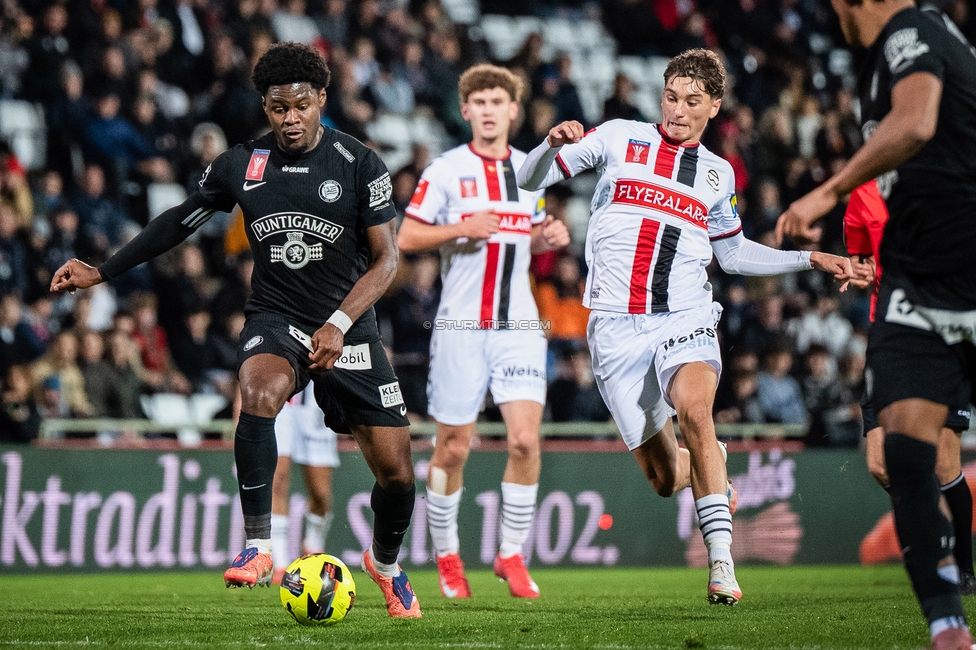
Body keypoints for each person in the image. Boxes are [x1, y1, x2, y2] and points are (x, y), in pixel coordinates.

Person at [49, 42, 421, 619]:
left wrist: (340, 324)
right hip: (276, 319)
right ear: (265, 108)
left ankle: (386, 565)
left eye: (300, 105)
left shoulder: (359, 163)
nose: (290, 118)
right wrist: (103, 270)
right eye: (277, 108)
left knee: (398, 481)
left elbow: (388, 262)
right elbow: (179, 221)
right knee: (258, 391)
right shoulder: (241, 165)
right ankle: (258, 546)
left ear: (322, 99)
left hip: (349, 328)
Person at [517, 48, 851, 606]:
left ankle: (722, 567)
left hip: (685, 315)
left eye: (692, 101)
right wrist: (549, 146)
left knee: (696, 410)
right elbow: (528, 180)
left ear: (713, 107)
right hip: (614, 329)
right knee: (666, 477)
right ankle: (708, 464)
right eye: (671, 97)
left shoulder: (718, 174)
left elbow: (734, 254)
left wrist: (808, 261)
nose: (678, 110)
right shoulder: (619, 137)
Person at [776, 0, 976, 645]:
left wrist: (826, 191)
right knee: (903, 452)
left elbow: (916, 124)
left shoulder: (913, 33)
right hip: (914, 285)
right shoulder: (875, 61)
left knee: (917, 455)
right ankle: (948, 624)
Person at [398, 63, 570, 599]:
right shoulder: (447, 170)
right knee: (451, 449)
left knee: (524, 439)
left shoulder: (529, 169)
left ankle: (511, 555)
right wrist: (461, 228)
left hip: (517, 321)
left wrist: (547, 237)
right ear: (467, 109)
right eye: (481, 101)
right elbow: (405, 237)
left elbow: (528, 237)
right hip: (459, 323)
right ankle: (447, 556)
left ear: (514, 110)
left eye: (500, 101)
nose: (491, 109)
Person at [844, 178, 976, 593]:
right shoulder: (863, 192)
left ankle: (962, 567)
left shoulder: (945, 177)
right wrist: (860, 270)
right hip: (890, 337)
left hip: (943, 330)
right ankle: (937, 536)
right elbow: (859, 255)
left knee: (944, 464)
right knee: (882, 464)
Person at [270, 382, 339, 585]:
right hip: (281, 397)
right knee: (277, 480)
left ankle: (313, 543)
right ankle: (280, 562)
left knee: (320, 493)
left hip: (315, 400)